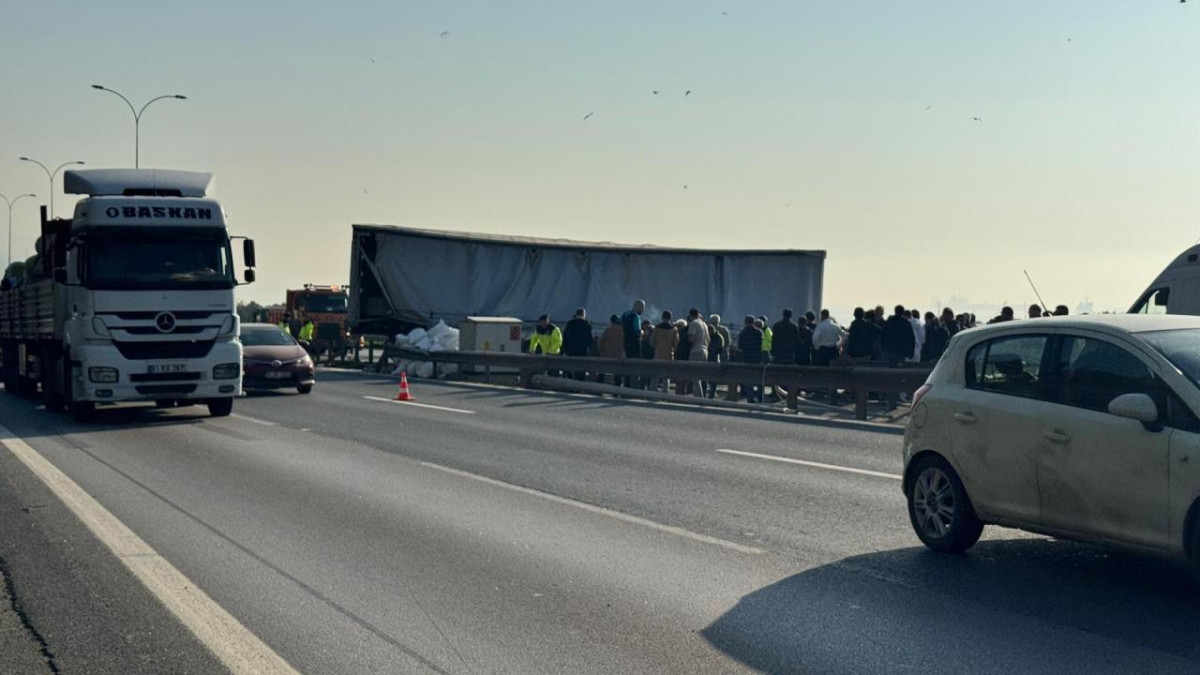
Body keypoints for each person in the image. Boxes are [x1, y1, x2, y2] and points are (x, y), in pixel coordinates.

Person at [650, 311, 679, 391]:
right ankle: (665, 393)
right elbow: (676, 344)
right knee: (666, 377)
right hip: (669, 355)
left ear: (662, 317)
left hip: (658, 353)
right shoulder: (674, 329)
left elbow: (652, 342)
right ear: (670, 318)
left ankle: (652, 392)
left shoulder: (657, 328)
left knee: (655, 374)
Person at [738, 315, 765, 403]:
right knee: (759, 378)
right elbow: (761, 345)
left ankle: (750, 397)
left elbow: (740, 346)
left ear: (745, 322)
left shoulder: (743, 333)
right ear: (753, 322)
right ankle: (760, 396)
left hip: (746, 358)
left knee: (748, 378)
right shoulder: (759, 332)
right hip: (757, 358)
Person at [620, 299, 646, 386]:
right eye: (642, 308)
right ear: (639, 307)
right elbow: (637, 331)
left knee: (625, 367)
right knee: (634, 367)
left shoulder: (625, 314)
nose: (643, 310)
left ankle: (624, 386)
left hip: (623, 343)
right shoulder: (636, 317)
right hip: (633, 345)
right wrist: (642, 332)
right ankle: (631, 387)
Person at [562, 307, 592, 379]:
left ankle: (570, 382)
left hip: (571, 349)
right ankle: (580, 382)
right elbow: (589, 339)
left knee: (570, 367)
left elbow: (565, 337)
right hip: (582, 350)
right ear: (583, 314)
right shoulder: (586, 324)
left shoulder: (570, 323)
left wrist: (566, 348)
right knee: (581, 368)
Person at [686, 309, 710, 397]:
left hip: (696, 350)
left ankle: (699, 396)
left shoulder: (694, 323)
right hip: (705, 350)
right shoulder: (704, 324)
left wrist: (687, 340)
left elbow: (691, 338)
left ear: (690, 315)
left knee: (694, 376)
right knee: (700, 375)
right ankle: (699, 395)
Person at [705, 318, 727, 398]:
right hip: (708, 358)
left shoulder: (718, 338)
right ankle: (709, 392)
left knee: (713, 378)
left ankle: (712, 393)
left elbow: (721, 349)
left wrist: (713, 351)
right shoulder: (709, 336)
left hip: (714, 358)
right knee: (707, 376)